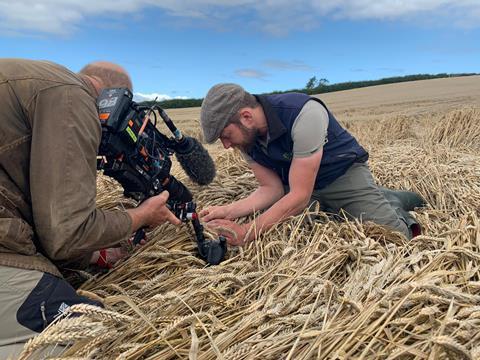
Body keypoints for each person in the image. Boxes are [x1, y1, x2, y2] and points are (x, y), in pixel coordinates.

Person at [0, 59, 181, 357]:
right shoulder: (75, 95)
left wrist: (92, 254)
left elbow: (44, 212)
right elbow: (66, 234)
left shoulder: (39, 84)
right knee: (89, 336)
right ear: (118, 99)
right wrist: (141, 216)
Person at [199, 83, 425, 246]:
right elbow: (271, 189)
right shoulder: (247, 140)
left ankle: (390, 199)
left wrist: (248, 232)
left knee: (396, 239)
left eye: (226, 135)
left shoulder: (303, 113)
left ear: (246, 117)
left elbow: (299, 196)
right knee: (291, 230)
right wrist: (227, 211)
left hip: (342, 175)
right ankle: (346, 204)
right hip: (300, 184)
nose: (227, 145)